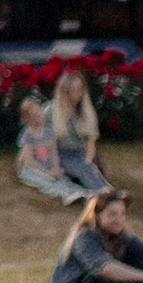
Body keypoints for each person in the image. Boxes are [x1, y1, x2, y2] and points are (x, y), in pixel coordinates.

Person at [48, 63, 108, 196]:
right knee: (81, 168)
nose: (76, 95)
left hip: (80, 153)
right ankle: (104, 192)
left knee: (86, 167)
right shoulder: (51, 110)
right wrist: (54, 165)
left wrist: (88, 161)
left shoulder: (86, 111)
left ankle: (105, 191)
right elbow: (50, 143)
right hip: (60, 153)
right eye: (72, 90)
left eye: (79, 90)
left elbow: (90, 142)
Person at [14, 92, 70, 199]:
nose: (38, 117)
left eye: (39, 113)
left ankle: (74, 191)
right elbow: (28, 160)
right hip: (32, 167)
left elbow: (54, 153)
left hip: (47, 164)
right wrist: (45, 173)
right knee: (43, 180)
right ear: (27, 119)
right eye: (33, 116)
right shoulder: (28, 134)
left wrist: (56, 167)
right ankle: (61, 193)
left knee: (61, 177)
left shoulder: (50, 131)